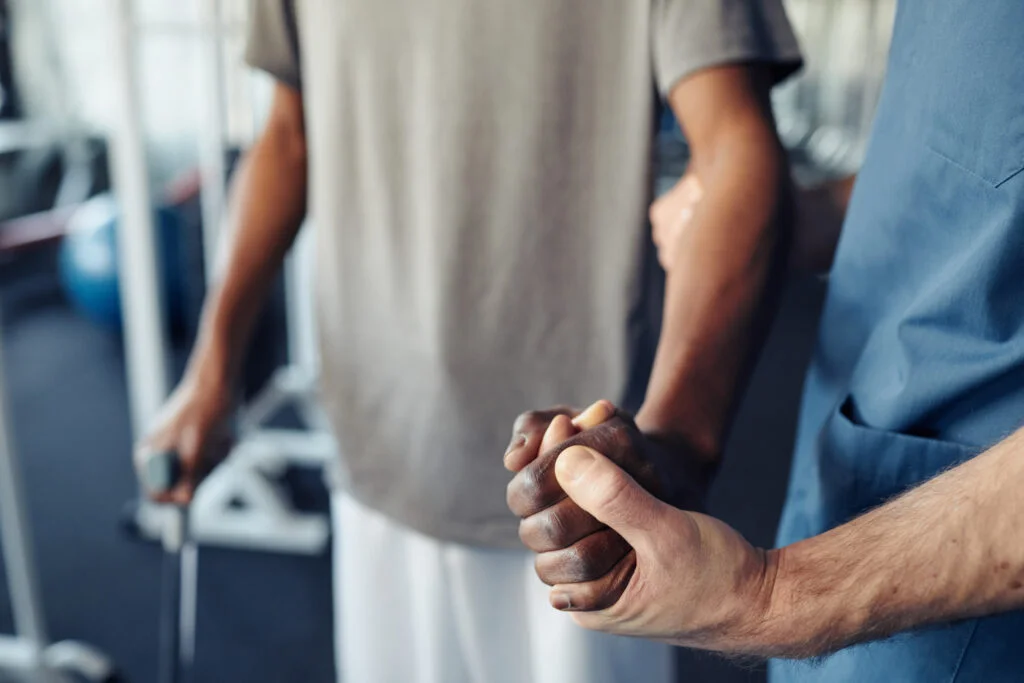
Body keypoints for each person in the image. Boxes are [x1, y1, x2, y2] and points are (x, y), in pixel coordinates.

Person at [138, 1, 803, 681]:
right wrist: (211, 371)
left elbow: (734, 147)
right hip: (377, 440)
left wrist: (681, 440)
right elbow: (287, 134)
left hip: (579, 485)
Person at [507, 1, 1024, 680]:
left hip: (960, 593)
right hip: (851, 481)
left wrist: (771, 594)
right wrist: (817, 217)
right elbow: (967, 146)